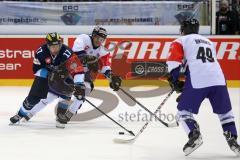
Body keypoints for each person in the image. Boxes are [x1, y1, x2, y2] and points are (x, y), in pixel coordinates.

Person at [167, 18, 240, 156]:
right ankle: (234, 141)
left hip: (198, 80)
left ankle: (194, 134)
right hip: (219, 79)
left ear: (183, 29)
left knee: (182, 111)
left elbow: (173, 62)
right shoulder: (209, 42)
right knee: (226, 114)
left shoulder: (180, 41)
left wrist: (175, 80)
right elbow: (203, 62)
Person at [55, 26, 122, 128]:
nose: (100, 41)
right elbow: (77, 53)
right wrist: (91, 60)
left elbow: (105, 67)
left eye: (102, 39)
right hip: (72, 67)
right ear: (93, 35)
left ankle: (69, 114)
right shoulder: (83, 38)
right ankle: (61, 111)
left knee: (85, 89)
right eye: (98, 38)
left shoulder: (104, 51)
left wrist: (111, 76)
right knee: (67, 88)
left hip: (84, 73)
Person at [10, 32, 74, 124]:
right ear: (48, 46)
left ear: (60, 44)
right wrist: (48, 74)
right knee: (32, 99)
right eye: (53, 46)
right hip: (45, 76)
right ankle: (20, 114)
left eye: (57, 46)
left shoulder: (68, 52)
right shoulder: (41, 52)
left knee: (68, 91)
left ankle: (61, 114)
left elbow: (73, 69)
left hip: (62, 76)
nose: (55, 48)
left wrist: (63, 74)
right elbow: (36, 69)